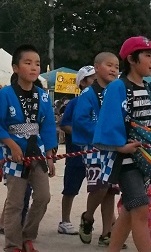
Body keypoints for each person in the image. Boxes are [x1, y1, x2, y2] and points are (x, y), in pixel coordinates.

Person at [93, 36, 151, 252]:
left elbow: (150, 120)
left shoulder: (147, 87)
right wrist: (120, 147)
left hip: (144, 157)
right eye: (147, 55)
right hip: (126, 158)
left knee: (129, 209)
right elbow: (107, 122)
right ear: (132, 59)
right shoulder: (117, 87)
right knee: (141, 209)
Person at [0, 44, 57, 252]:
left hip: (38, 150)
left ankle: (27, 236)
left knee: (43, 197)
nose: (34, 68)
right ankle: (13, 244)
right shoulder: (5, 94)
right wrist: (12, 144)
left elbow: (49, 126)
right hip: (14, 154)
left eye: (37, 64)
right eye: (28, 63)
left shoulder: (42, 95)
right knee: (15, 202)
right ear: (15, 68)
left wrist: (50, 155)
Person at [73, 52, 121, 246]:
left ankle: (107, 233)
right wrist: (103, 132)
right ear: (97, 67)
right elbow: (81, 120)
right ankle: (88, 216)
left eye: (117, 67)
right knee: (100, 187)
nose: (113, 70)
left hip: (113, 146)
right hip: (93, 146)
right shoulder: (87, 94)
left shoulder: (117, 91)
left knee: (111, 189)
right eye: (109, 65)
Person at [56, 65, 96, 235]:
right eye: (93, 78)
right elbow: (64, 124)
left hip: (97, 153)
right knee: (71, 187)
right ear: (83, 82)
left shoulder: (102, 101)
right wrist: (82, 133)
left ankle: (92, 219)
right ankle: (65, 221)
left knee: (98, 188)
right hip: (77, 152)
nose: (96, 80)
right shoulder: (75, 102)